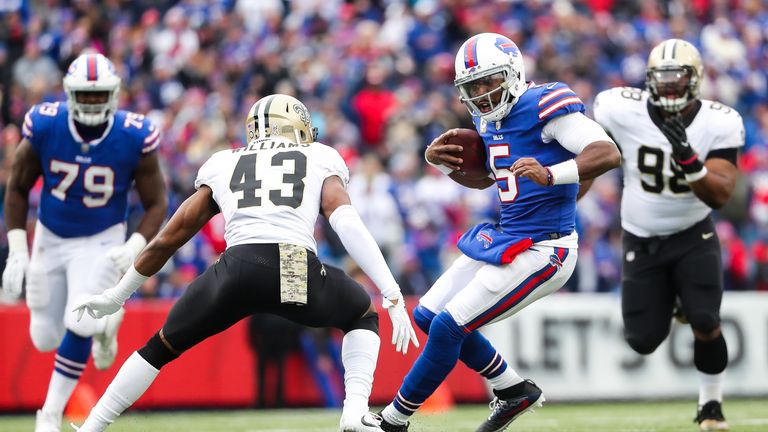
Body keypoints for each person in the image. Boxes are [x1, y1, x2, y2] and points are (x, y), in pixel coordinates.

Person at [71, 94, 419, 432]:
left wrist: (118, 295)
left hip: (236, 268)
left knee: (158, 348)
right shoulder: (318, 155)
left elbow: (169, 238)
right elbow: (344, 220)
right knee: (361, 314)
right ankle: (355, 412)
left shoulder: (225, 162)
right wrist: (390, 292)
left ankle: (91, 428)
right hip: (292, 266)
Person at [377, 33, 621, 432]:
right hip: (510, 237)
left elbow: (606, 151)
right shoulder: (486, 118)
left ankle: (393, 420)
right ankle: (512, 390)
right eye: (473, 87)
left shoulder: (544, 103)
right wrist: (440, 164)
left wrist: (551, 174)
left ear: (513, 72)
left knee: (448, 326)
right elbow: (491, 180)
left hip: (547, 248)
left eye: (489, 81)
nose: (482, 93)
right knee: (427, 314)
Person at [1, 52, 168, 432]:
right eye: (85, 95)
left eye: (99, 95)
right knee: (44, 337)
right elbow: (17, 187)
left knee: (80, 319)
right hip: (51, 235)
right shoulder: (45, 125)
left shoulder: (133, 134)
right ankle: (109, 324)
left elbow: (156, 202)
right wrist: (17, 251)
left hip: (101, 239)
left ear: (113, 95)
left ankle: (50, 414)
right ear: (69, 94)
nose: (92, 103)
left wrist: (134, 244)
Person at [593, 39, 743, 432]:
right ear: (649, 81)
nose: (670, 87)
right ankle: (675, 301)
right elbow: (586, 142)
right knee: (642, 340)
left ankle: (711, 405)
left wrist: (689, 158)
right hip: (641, 237)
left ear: (696, 81)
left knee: (706, 319)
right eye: (663, 80)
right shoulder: (618, 108)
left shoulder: (720, 121)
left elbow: (721, 195)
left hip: (693, 232)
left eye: (679, 80)